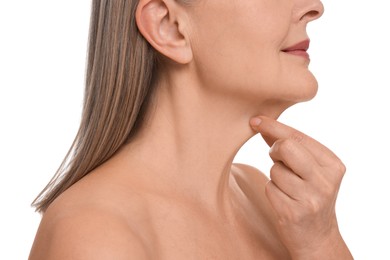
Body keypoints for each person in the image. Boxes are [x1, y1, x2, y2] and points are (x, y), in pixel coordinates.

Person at [29, 0, 353, 259]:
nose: (314, 7)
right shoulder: (96, 234)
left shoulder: (265, 200)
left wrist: (322, 244)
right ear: (170, 28)